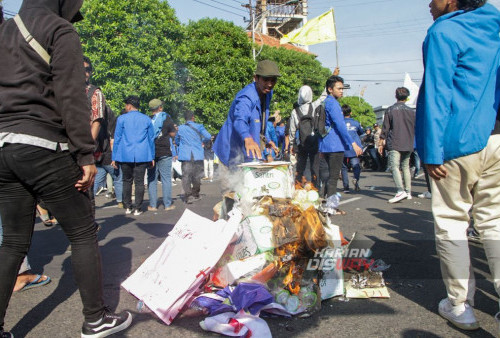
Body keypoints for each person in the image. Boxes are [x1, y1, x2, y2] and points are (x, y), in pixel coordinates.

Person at [0, 0, 132, 336]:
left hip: (3, 147)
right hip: (42, 143)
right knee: (84, 231)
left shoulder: (5, 30)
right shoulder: (60, 30)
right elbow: (72, 97)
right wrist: (85, 154)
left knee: (13, 241)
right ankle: (96, 319)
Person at [416, 0, 500, 332]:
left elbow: (437, 93)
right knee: (494, 223)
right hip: (495, 137)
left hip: (454, 144)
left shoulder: (444, 31)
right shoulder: (494, 23)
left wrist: (432, 150)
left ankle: (459, 304)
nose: (429, 4)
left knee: (452, 221)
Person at [213, 60, 281, 170]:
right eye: (265, 79)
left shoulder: (267, 93)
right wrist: (247, 139)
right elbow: (240, 120)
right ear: (256, 78)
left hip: (248, 154)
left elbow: (259, 120)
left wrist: (267, 140)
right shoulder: (246, 97)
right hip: (230, 151)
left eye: (273, 80)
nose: (270, 84)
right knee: (233, 185)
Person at [84, 56, 122, 208]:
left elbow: (97, 122)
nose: (84, 73)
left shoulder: (94, 93)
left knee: (90, 184)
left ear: (91, 72)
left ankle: (89, 224)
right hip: (68, 147)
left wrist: (87, 146)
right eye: (81, 69)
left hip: (90, 149)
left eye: (87, 69)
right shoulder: (65, 90)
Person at [319, 76, 362, 199]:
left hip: (324, 143)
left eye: (342, 88)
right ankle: (331, 204)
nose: (341, 91)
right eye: (339, 88)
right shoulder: (334, 104)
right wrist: (353, 143)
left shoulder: (325, 102)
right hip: (335, 144)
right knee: (333, 177)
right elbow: (341, 125)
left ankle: (322, 199)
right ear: (330, 89)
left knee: (325, 176)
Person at [112, 96, 155, 216]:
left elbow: (117, 138)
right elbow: (151, 139)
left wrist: (114, 157)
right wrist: (152, 156)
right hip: (142, 154)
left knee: (127, 180)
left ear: (129, 105)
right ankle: (138, 207)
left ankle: (127, 206)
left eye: (126, 105)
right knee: (140, 182)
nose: (125, 107)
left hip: (125, 154)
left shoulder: (121, 119)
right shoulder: (146, 119)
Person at [378, 87, 415, 203]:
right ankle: (408, 191)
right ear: (407, 97)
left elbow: (385, 128)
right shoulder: (411, 111)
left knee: (394, 166)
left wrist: (381, 141)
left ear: (396, 96)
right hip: (408, 142)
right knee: (405, 167)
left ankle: (400, 191)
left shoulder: (390, 110)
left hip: (395, 142)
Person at [289, 85, 327, 188]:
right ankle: (316, 188)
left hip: (301, 143)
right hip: (313, 142)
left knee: (300, 167)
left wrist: (291, 145)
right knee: (314, 167)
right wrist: (332, 78)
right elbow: (323, 97)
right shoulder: (314, 106)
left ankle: (299, 187)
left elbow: (292, 131)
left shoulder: (295, 111)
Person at [147, 99, 176, 212]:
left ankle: (153, 205)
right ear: (160, 108)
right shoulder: (166, 118)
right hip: (164, 151)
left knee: (152, 179)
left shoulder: (149, 120)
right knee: (166, 179)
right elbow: (173, 133)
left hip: (151, 152)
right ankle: (168, 204)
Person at [175, 111, 211, 204]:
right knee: (197, 175)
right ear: (193, 118)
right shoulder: (199, 126)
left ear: (185, 119)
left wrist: (181, 145)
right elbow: (208, 136)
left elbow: (177, 140)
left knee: (186, 175)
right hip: (197, 154)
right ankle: (195, 193)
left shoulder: (180, 128)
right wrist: (201, 141)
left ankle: (188, 196)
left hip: (186, 154)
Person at [341, 104, 364, 192]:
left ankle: (346, 187)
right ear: (351, 112)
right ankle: (356, 179)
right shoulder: (356, 123)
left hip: (343, 147)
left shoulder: (340, 123)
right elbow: (361, 132)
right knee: (356, 165)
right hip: (355, 148)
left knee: (343, 168)